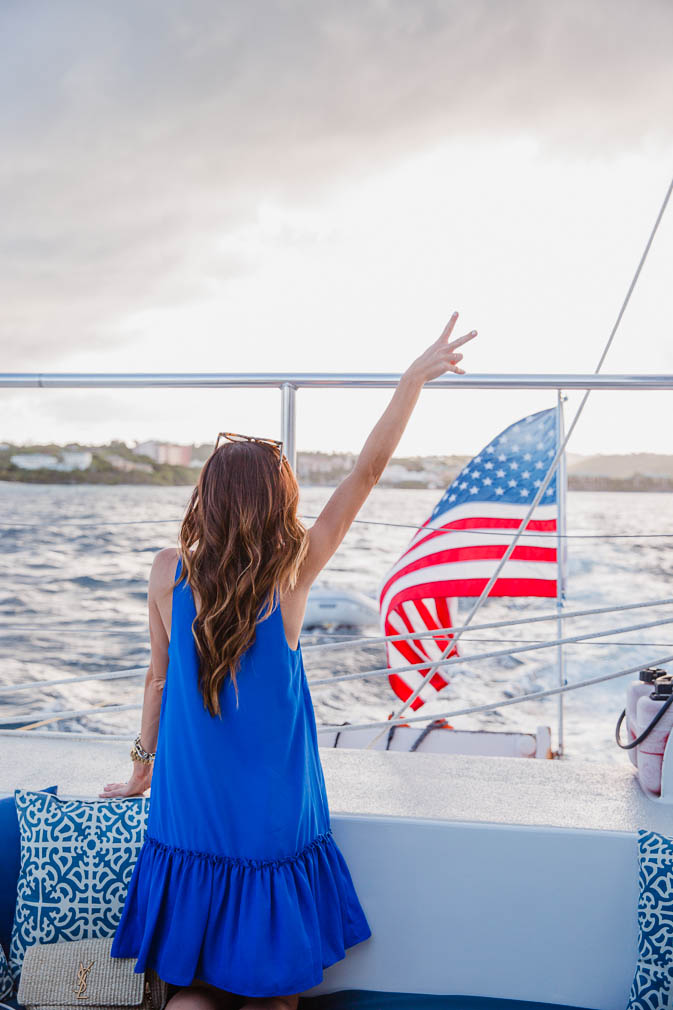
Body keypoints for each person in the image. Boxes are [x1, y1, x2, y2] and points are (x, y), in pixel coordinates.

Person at [101, 313, 477, 1010]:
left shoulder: (164, 572)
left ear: (206, 500)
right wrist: (409, 382)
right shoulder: (292, 575)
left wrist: (138, 769)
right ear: (277, 503)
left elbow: (156, 678)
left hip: (188, 816)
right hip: (272, 820)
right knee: (275, 998)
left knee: (192, 990)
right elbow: (365, 475)